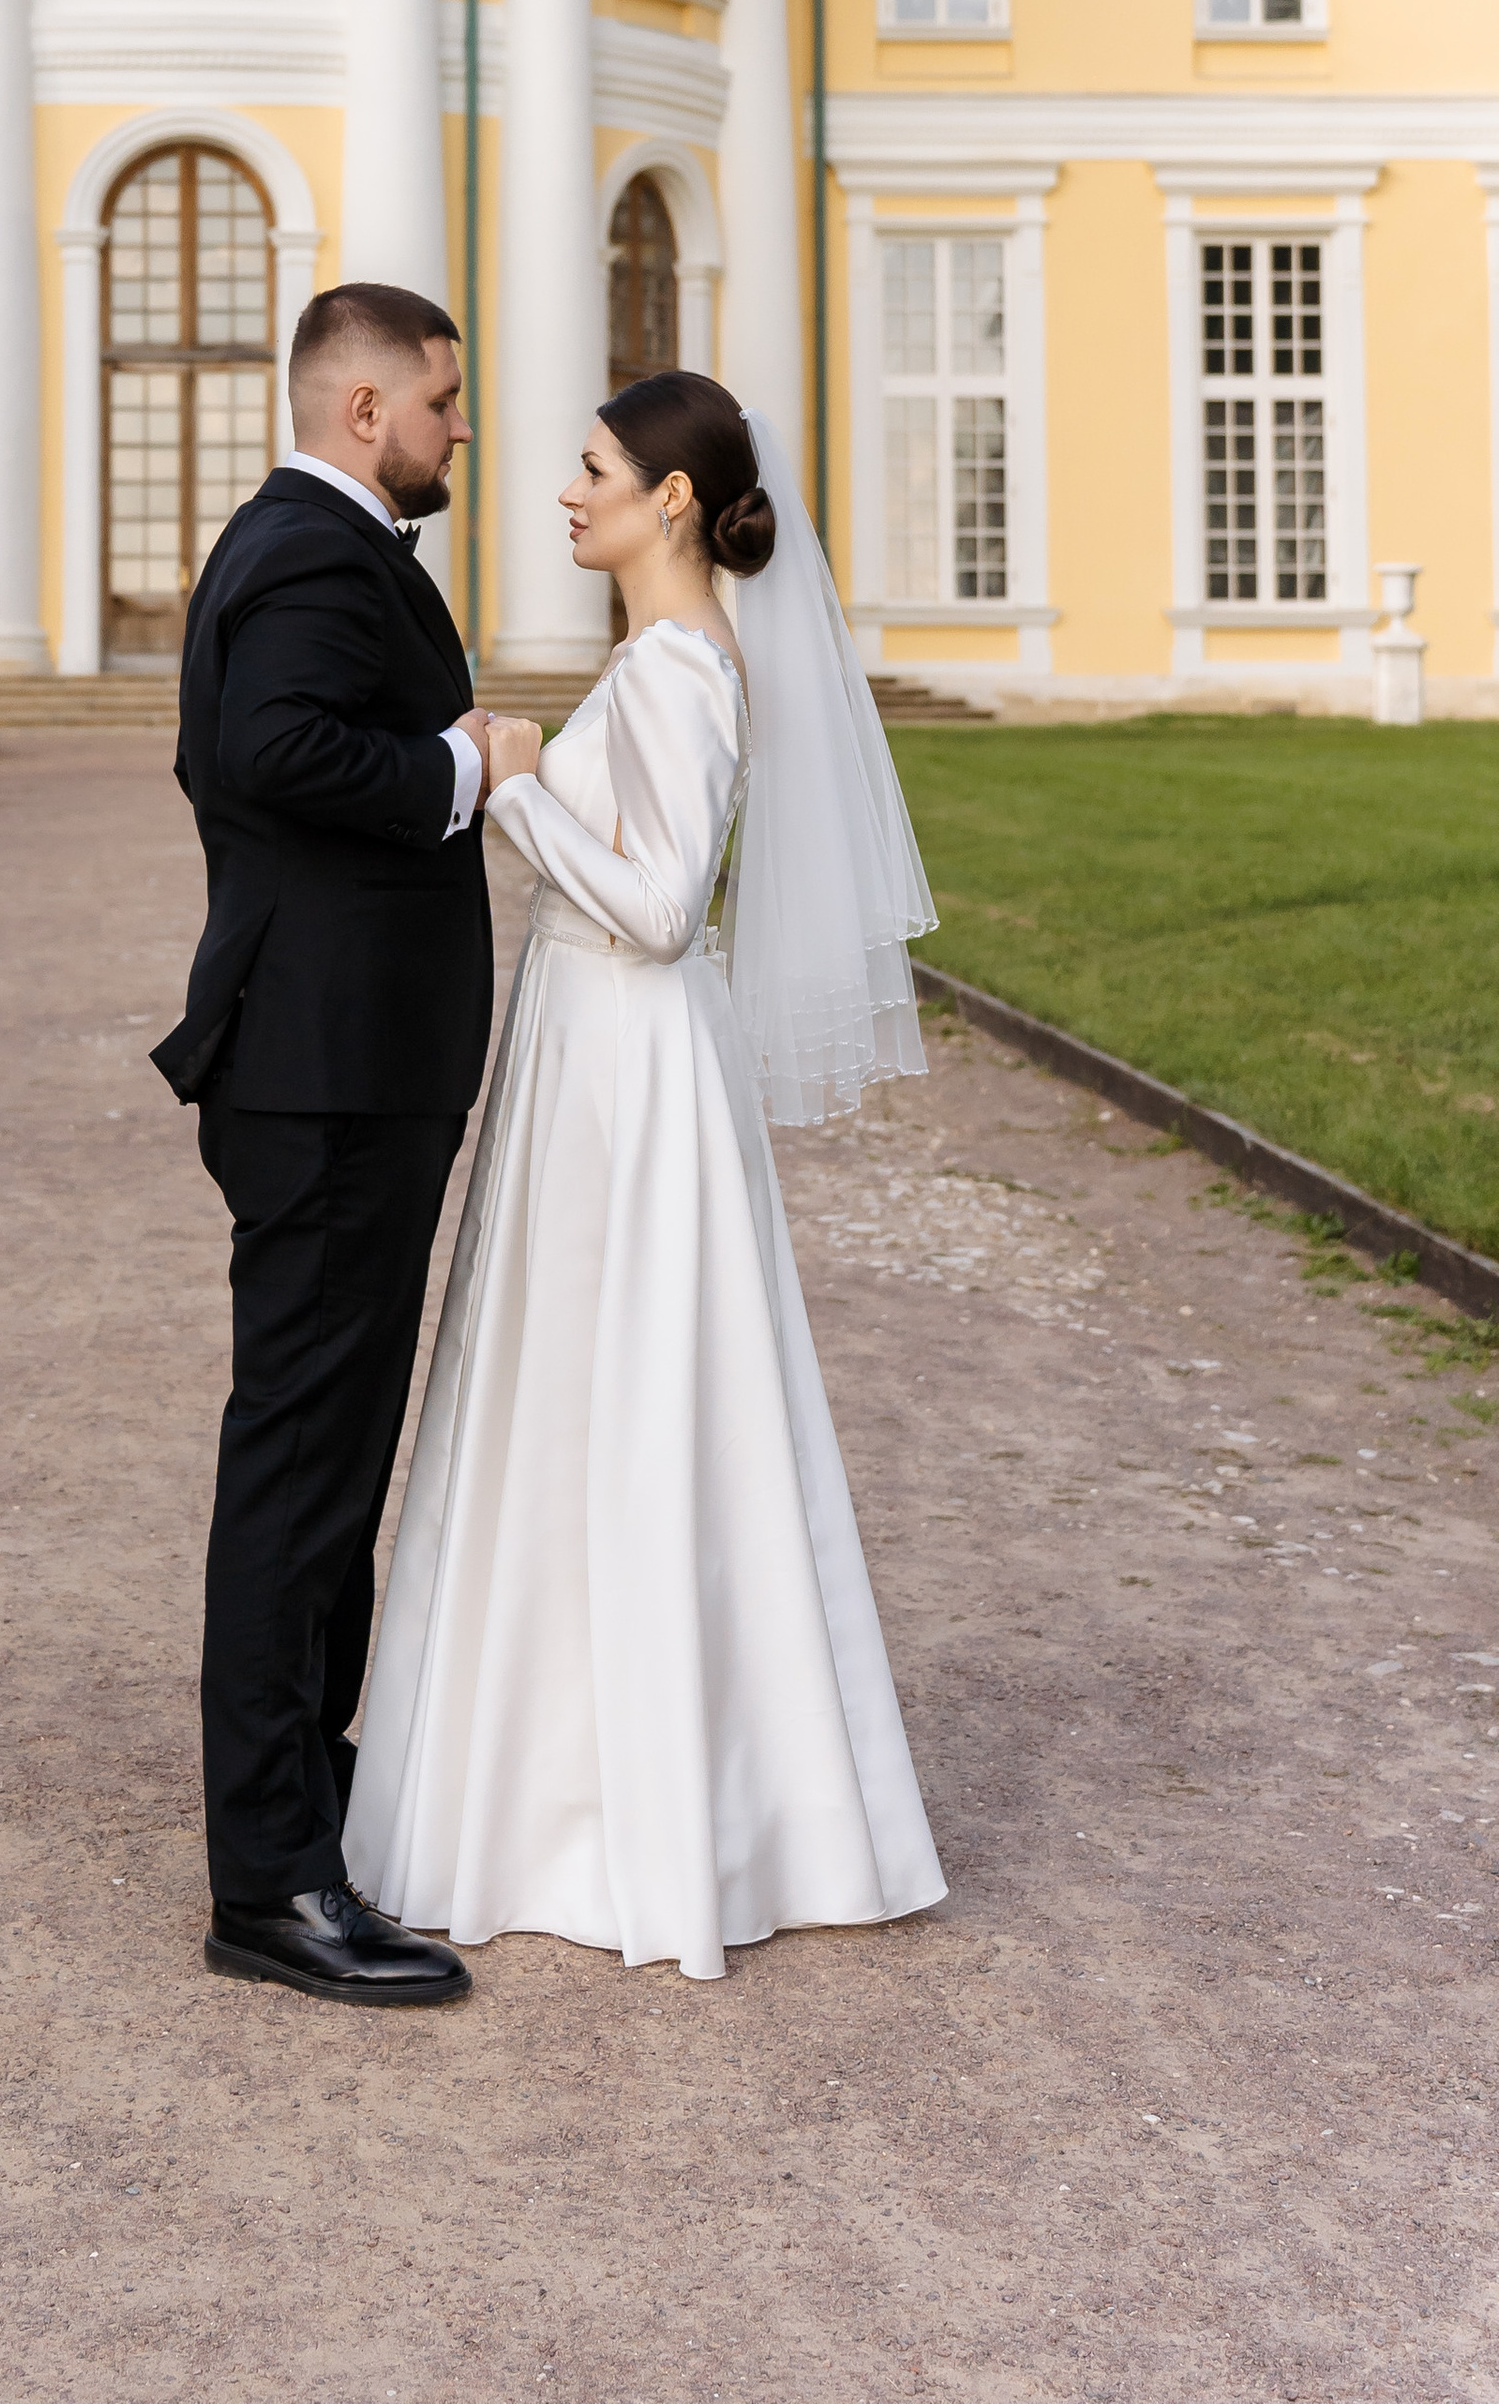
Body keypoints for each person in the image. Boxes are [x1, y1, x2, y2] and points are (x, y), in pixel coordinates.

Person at [345, 370, 948, 1980]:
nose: (566, 492)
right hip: (595, 1055)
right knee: (571, 1397)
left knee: (611, 1400)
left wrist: (519, 781)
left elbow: (665, 904)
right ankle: (558, 1783)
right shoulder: (664, 655)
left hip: (625, 1056)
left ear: (670, 499)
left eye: (595, 469)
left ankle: (614, 1812)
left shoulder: (681, 667)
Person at [153, 283, 496, 2008]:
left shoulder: (316, 543)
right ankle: (268, 1880)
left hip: (348, 1069)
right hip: (325, 1075)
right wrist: (459, 766)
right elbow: (262, 748)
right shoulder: (307, 545)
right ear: (365, 409)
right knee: (298, 1465)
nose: (458, 432)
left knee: (330, 1457)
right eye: (442, 403)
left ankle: (316, 1803)